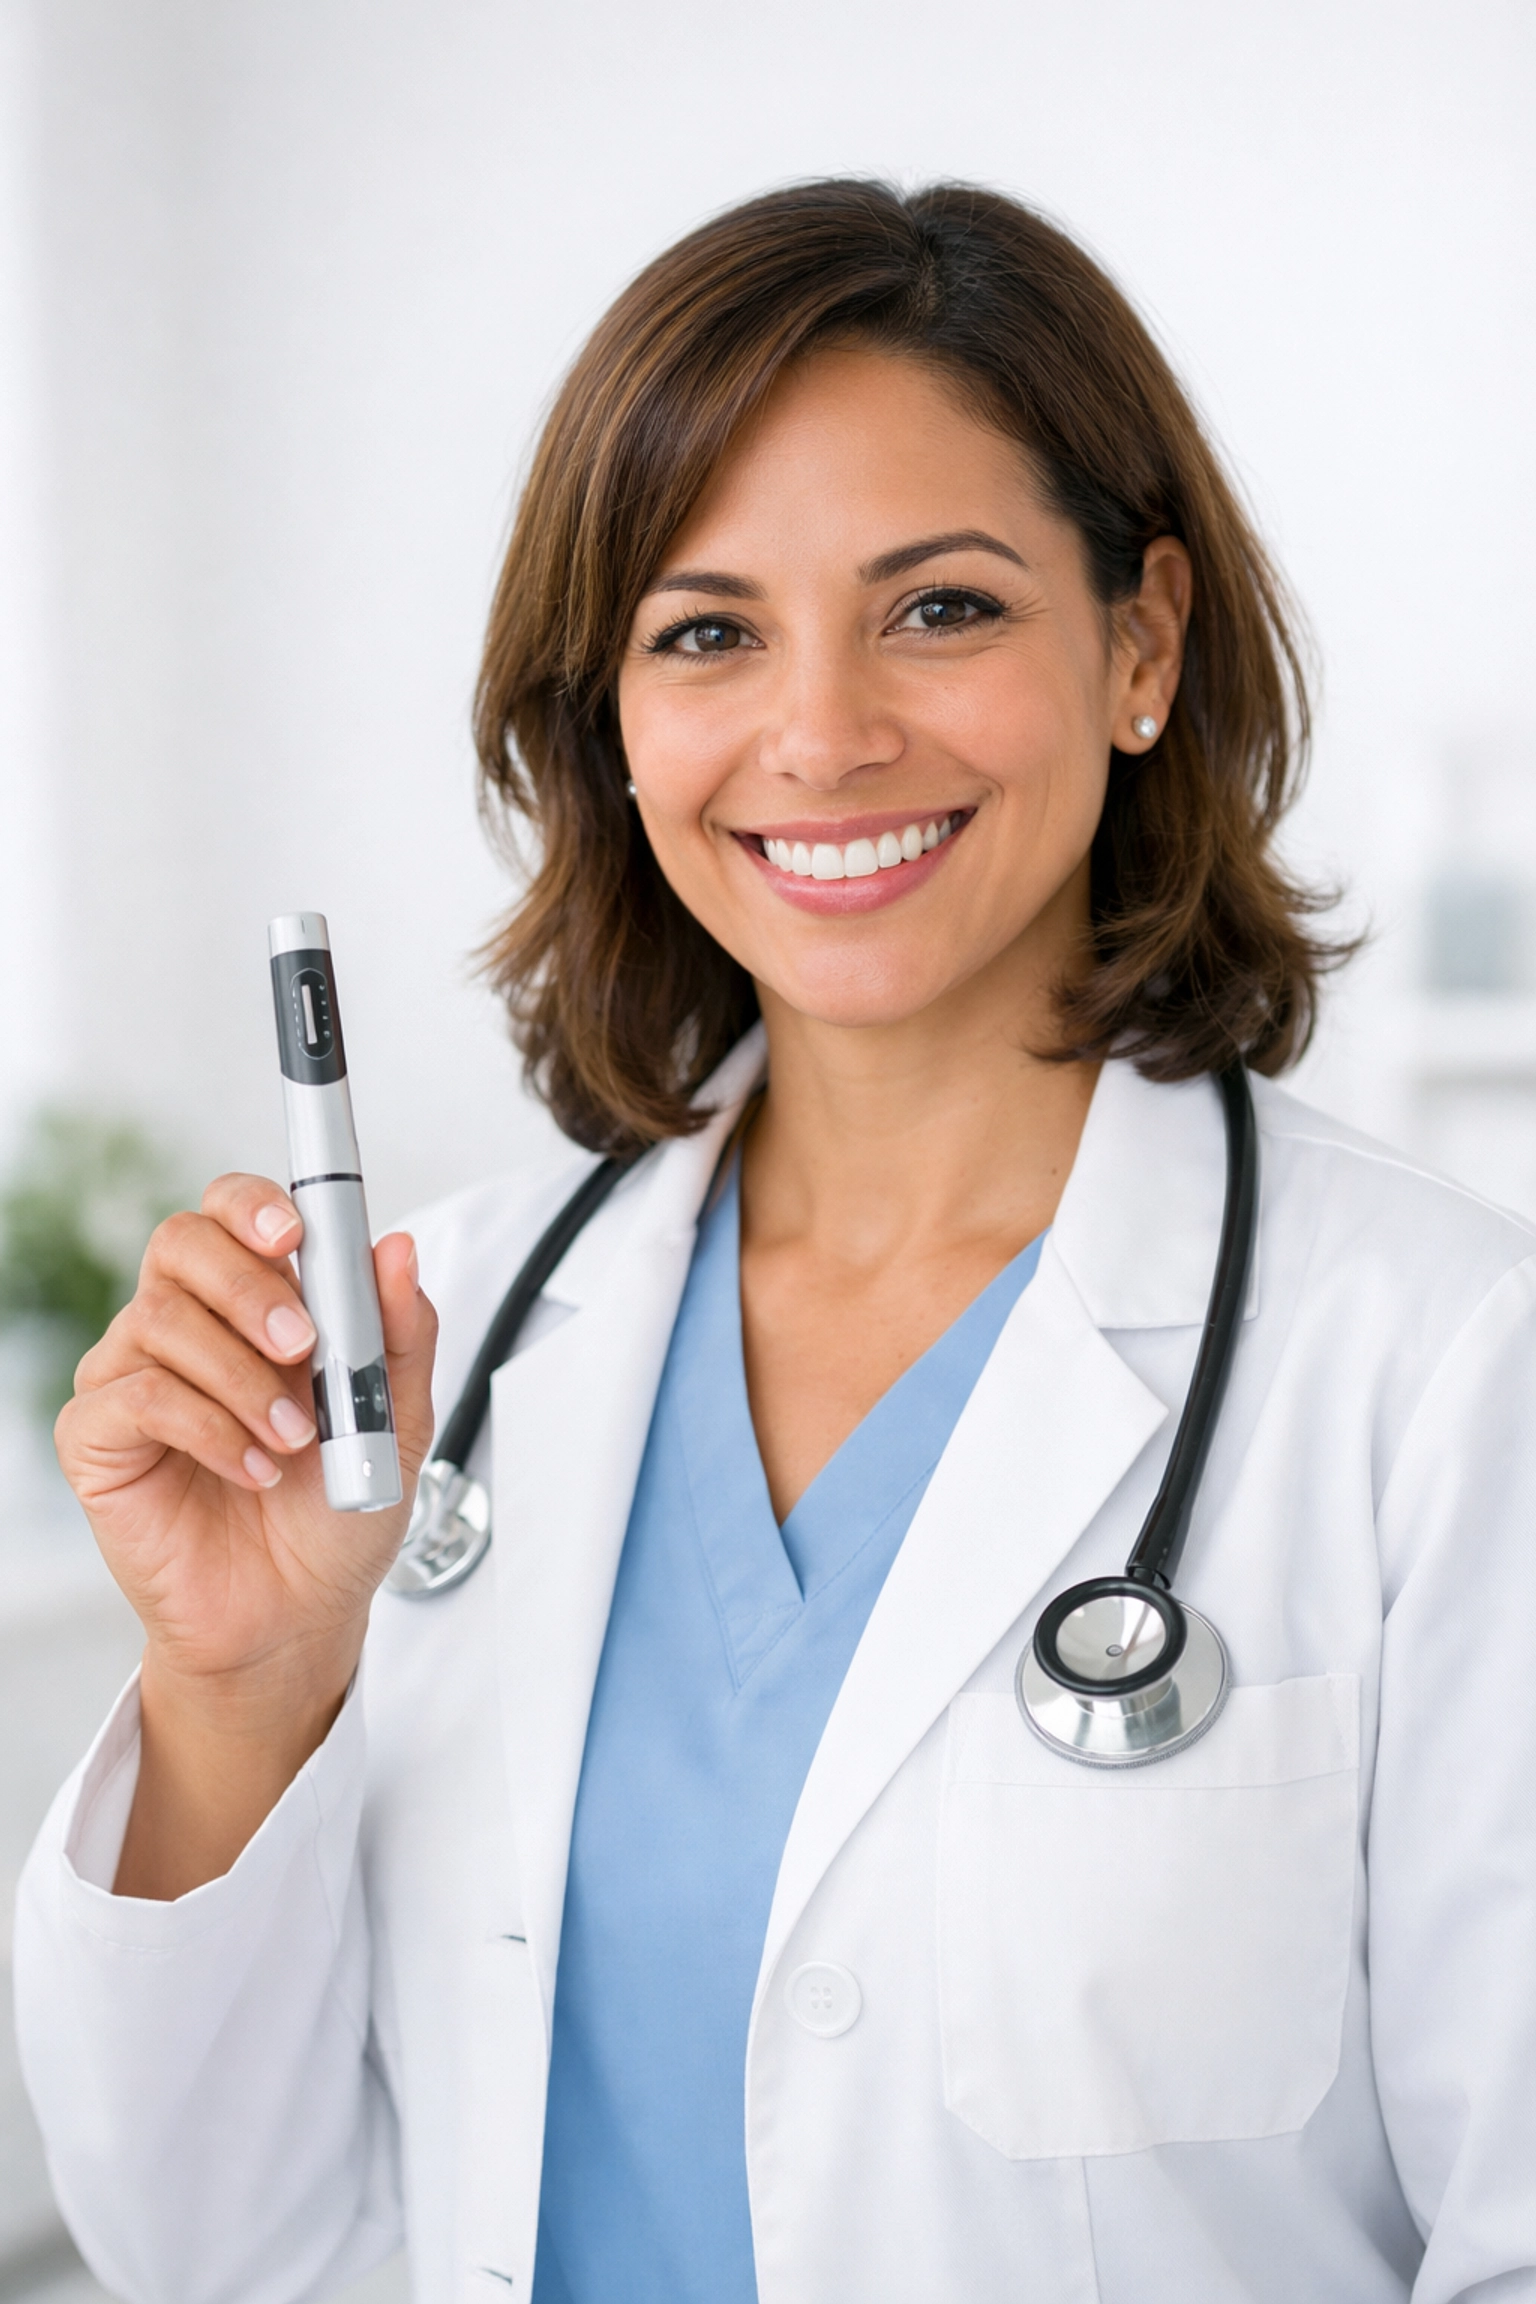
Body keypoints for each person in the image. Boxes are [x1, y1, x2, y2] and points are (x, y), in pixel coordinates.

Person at [15, 181, 1536, 2304]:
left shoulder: (1439, 1370)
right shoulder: (425, 1349)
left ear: (1145, 643)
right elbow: (218, 2246)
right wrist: (239, 1685)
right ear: (616, 722)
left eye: (941, 609)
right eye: (706, 630)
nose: (822, 735)